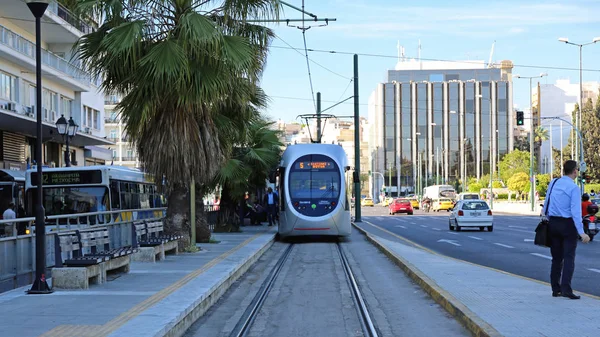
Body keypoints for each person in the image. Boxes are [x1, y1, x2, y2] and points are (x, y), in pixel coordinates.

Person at [542, 160, 590, 299]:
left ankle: (555, 289)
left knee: (556, 258)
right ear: (574, 171)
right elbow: (575, 212)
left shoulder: (554, 182)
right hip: (568, 225)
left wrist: (546, 217)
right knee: (569, 258)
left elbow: (546, 203)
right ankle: (566, 290)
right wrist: (581, 233)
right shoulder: (573, 188)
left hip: (553, 223)